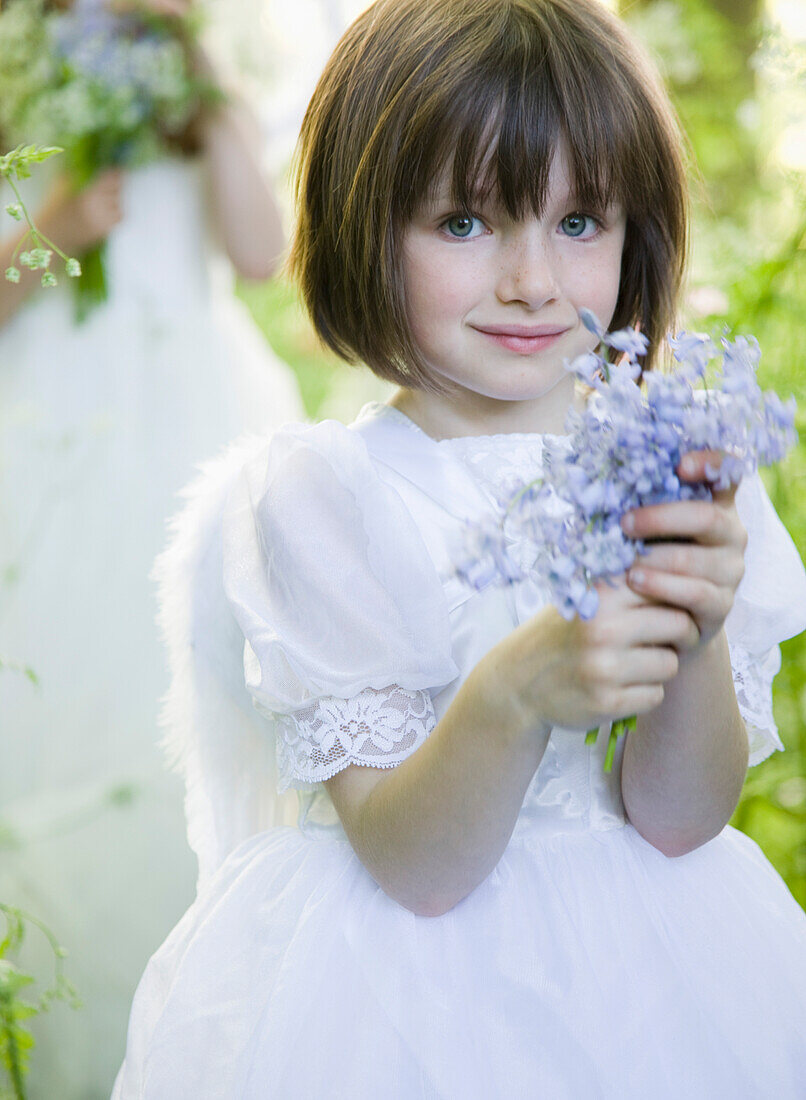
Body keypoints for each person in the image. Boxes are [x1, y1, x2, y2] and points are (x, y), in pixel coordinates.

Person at [111, 1, 806, 1096]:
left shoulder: (677, 464)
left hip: (653, 975)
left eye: (580, 223)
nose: (532, 280)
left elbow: (678, 820)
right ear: (360, 222)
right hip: (400, 1001)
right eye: (465, 223)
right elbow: (418, 871)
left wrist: (698, 629)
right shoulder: (322, 497)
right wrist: (513, 689)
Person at [0, 2, 303, 1094]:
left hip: (188, 417)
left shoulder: (200, 78)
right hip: (45, 422)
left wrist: (202, 71)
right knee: (57, 686)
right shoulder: (19, 67)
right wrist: (57, 229)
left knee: (183, 697)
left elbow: (266, 253)